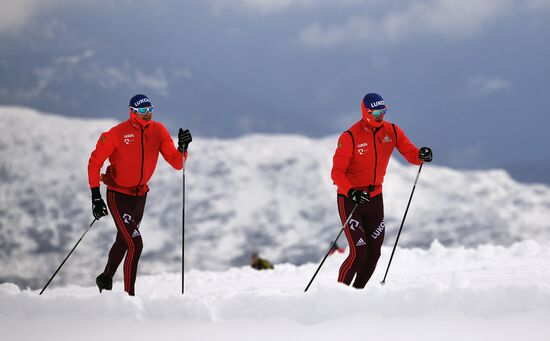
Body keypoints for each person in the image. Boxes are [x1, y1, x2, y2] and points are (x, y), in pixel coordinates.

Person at [87, 94, 192, 296]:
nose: (148, 114)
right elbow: (94, 162)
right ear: (132, 112)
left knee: (124, 240)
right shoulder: (117, 133)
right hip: (118, 195)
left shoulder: (158, 130)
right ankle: (129, 296)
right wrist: (95, 196)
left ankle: (106, 277)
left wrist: (182, 148)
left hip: (140, 197)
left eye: (150, 109)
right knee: (135, 243)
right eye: (143, 111)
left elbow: (177, 163)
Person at [331, 93, 432, 289]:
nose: (380, 116)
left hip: (374, 198)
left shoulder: (391, 130)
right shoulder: (350, 136)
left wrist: (421, 155)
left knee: (374, 251)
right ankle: (339, 293)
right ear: (366, 112)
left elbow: (410, 152)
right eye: (376, 112)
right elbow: (337, 173)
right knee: (359, 251)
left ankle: (357, 292)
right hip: (351, 199)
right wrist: (351, 192)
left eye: (383, 111)